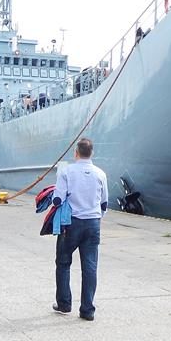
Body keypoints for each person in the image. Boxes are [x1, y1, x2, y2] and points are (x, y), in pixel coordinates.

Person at [51, 137, 108, 321]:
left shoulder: (66, 172)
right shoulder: (100, 174)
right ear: (92, 153)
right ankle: (87, 310)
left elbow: (57, 200)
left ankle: (64, 304)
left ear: (76, 153)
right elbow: (104, 203)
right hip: (93, 223)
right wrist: (96, 217)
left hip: (71, 223)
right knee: (90, 266)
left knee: (63, 262)